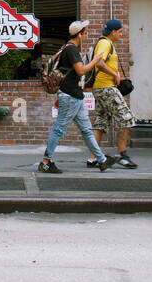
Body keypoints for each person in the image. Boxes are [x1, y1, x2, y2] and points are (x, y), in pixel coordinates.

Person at [39, 20, 111, 173]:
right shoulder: (72, 50)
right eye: (85, 32)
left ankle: (102, 160)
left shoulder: (68, 48)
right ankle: (46, 162)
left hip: (74, 96)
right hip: (71, 96)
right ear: (79, 34)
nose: (86, 35)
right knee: (59, 129)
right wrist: (95, 60)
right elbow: (81, 71)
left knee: (86, 130)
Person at [86, 19, 138, 169]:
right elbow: (99, 63)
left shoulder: (107, 43)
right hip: (106, 88)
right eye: (120, 31)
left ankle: (92, 159)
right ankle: (122, 155)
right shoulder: (105, 43)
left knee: (101, 123)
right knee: (126, 118)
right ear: (113, 32)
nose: (121, 34)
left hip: (101, 88)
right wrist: (115, 75)